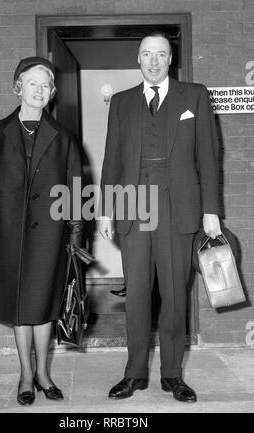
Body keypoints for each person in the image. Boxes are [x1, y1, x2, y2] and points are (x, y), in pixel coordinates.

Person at [99, 32, 221, 403]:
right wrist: (105, 209)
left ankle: (172, 375)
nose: (153, 61)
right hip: (133, 208)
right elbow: (112, 159)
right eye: (146, 55)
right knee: (136, 296)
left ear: (171, 59)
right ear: (138, 59)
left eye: (161, 54)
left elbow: (208, 157)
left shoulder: (195, 96)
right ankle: (134, 374)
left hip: (178, 209)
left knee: (173, 295)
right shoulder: (121, 102)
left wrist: (211, 210)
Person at [0, 57, 82, 406]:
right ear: (19, 87)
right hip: (10, 232)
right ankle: (26, 375)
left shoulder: (63, 137)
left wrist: (76, 234)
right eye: (33, 83)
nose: (40, 90)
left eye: (45, 85)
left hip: (50, 233)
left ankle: (45, 374)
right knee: (20, 305)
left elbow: (76, 187)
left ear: (52, 92)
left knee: (44, 303)